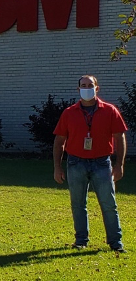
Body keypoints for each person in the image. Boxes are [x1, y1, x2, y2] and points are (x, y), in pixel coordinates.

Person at [53, 75, 127, 253]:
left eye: (90, 85)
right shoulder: (69, 113)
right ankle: (81, 240)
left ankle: (116, 243)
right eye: (83, 85)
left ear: (97, 88)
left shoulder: (110, 110)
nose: (87, 88)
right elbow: (59, 141)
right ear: (78, 89)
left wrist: (119, 165)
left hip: (102, 163)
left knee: (108, 203)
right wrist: (57, 167)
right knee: (78, 204)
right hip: (75, 162)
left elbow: (120, 137)